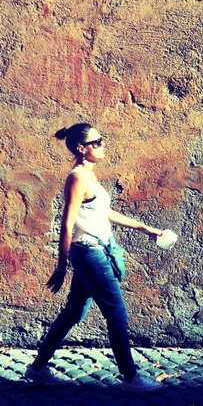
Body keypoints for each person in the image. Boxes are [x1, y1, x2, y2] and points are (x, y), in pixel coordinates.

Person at [25, 123, 164, 392]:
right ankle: (130, 378)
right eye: (97, 142)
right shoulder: (77, 178)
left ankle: (38, 368)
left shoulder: (89, 175)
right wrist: (61, 267)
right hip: (90, 254)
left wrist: (143, 227)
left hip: (95, 251)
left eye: (101, 140)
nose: (103, 145)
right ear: (82, 148)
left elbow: (103, 212)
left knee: (74, 311)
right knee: (117, 313)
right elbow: (67, 224)